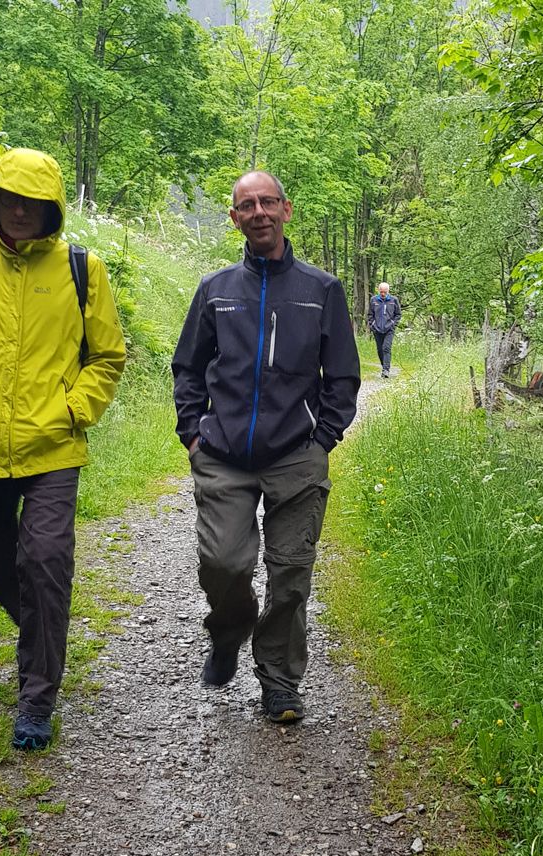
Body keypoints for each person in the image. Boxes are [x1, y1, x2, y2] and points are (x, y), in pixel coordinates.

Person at [0, 148, 126, 751]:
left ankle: (37, 696)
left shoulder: (82, 269)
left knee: (44, 561)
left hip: (53, 447)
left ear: (51, 210)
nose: (17, 210)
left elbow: (107, 356)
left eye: (31, 203)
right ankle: (42, 630)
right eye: (7, 198)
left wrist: (73, 411)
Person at [172, 171, 361, 723]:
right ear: (234, 219)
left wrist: (323, 438)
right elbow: (188, 367)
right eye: (246, 206)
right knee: (224, 563)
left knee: (290, 574)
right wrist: (193, 432)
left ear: (287, 209)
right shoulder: (215, 290)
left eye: (267, 202)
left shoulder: (321, 290)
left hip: (296, 457)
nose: (258, 212)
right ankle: (229, 628)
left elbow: (343, 376)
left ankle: (280, 682)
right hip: (223, 455)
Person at [368, 282, 401, 378]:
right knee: (380, 350)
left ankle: (386, 370)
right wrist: (372, 325)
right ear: (379, 291)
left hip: (389, 329)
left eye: (385, 292)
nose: (383, 294)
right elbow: (370, 314)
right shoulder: (374, 300)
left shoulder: (394, 300)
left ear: (388, 291)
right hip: (377, 329)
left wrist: (393, 324)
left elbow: (398, 314)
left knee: (386, 348)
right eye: (381, 292)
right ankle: (384, 366)